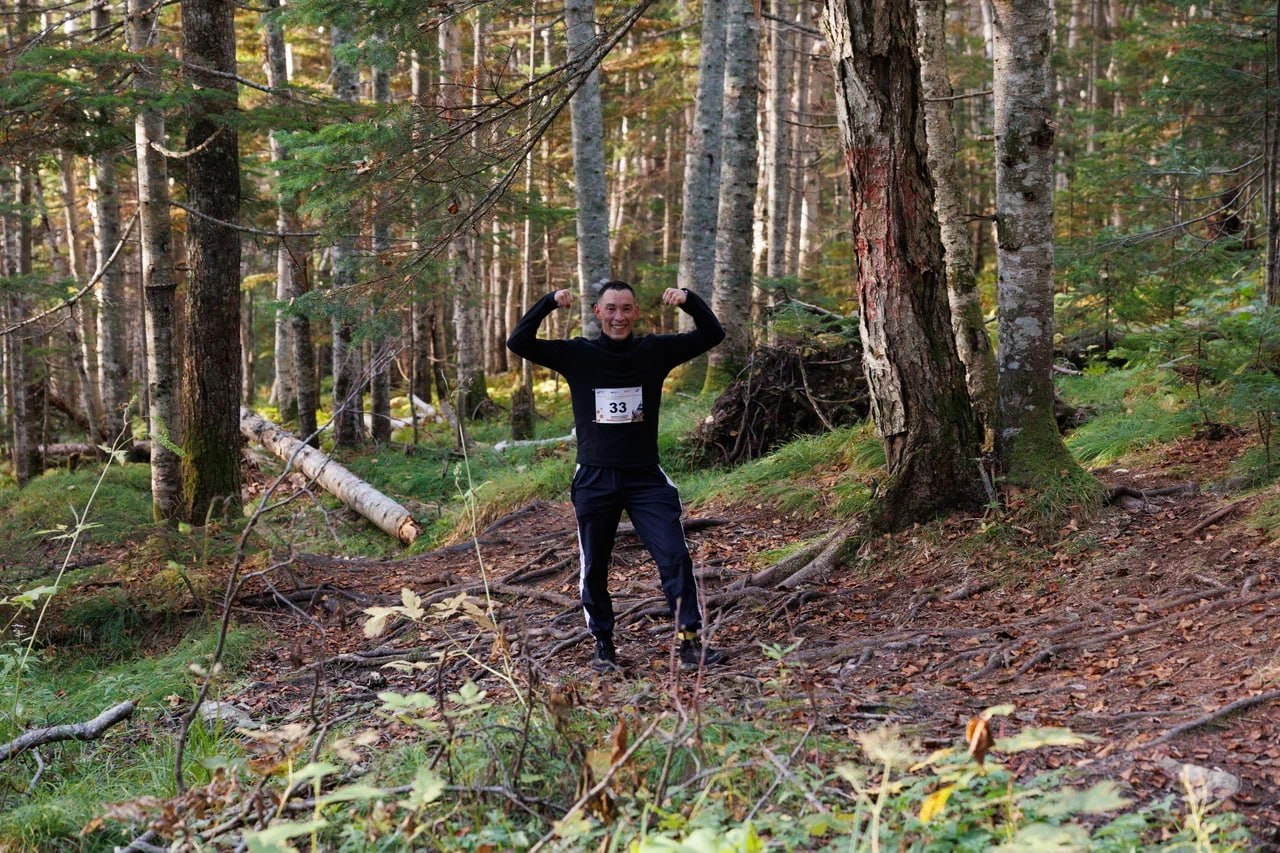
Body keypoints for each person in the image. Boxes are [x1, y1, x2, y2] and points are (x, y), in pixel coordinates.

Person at [507, 281, 728, 672]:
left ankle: (690, 643)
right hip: (594, 478)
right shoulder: (578, 354)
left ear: (635, 313)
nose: (618, 317)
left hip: (645, 478)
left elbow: (712, 334)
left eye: (626, 309)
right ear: (597, 313)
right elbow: (519, 343)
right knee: (594, 564)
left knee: (674, 556)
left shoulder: (654, 352)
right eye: (610, 309)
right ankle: (604, 645)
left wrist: (690, 301)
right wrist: (547, 303)